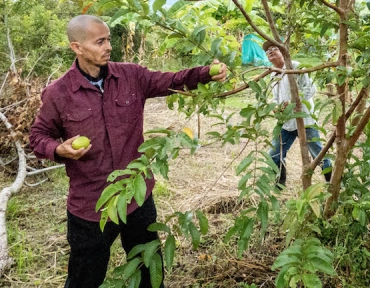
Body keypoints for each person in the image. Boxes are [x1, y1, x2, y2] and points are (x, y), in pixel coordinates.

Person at [29, 15, 226, 288]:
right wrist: (58, 149)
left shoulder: (131, 76)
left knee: (148, 267)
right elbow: (38, 137)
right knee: (85, 276)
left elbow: (172, 79)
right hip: (92, 205)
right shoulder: (58, 93)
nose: (108, 46)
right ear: (77, 47)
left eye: (108, 39)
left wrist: (206, 73)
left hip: (137, 196)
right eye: (100, 41)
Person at [263, 40, 332, 188]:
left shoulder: (295, 67)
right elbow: (275, 98)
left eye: (274, 49)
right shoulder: (273, 74)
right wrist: (275, 107)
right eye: (268, 52)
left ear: (283, 51)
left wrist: (294, 102)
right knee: (274, 154)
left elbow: (310, 89)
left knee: (318, 155)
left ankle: (331, 183)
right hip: (286, 122)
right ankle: (279, 185)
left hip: (304, 119)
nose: (271, 53)